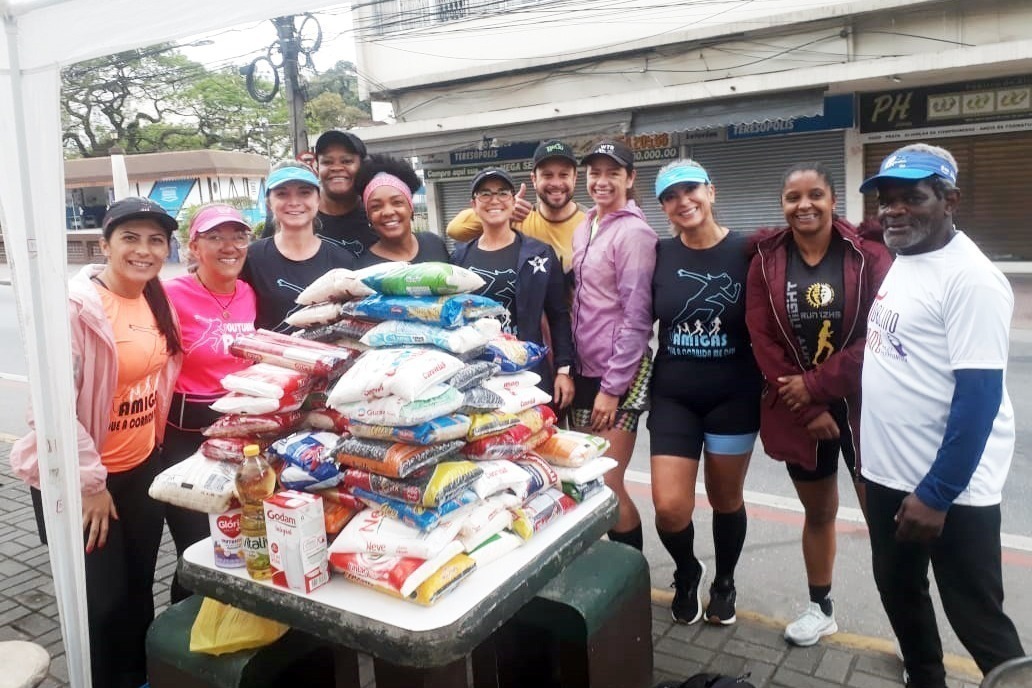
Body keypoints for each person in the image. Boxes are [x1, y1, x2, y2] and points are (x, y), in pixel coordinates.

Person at [858, 143, 1025, 687]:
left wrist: (936, 493)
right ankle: (925, 678)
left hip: (950, 489)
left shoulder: (971, 279)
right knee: (899, 588)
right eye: (887, 199)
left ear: (950, 199)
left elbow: (978, 400)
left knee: (978, 619)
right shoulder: (907, 257)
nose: (895, 209)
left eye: (913, 197)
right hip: (888, 475)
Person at [10, 197, 183, 688]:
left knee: (137, 590)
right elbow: (48, 408)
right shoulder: (73, 308)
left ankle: (139, 677)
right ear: (104, 244)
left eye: (156, 240)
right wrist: (89, 483)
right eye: (130, 238)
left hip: (141, 468)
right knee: (101, 603)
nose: (144, 251)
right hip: (81, 480)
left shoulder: (156, 297)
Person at [745, 162, 891, 647]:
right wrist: (807, 406)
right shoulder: (766, 263)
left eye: (814, 195)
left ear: (832, 200)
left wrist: (817, 386)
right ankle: (820, 608)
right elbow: (763, 341)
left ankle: (912, 637)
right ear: (782, 204)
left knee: (885, 526)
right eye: (792, 197)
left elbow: (880, 334)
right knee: (820, 512)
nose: (803, 205)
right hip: (803, 416)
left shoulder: (868, 256)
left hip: (865, 410)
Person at [649, 160, 761, 626]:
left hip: (734, 396)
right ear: (664, 208)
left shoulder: (749, 251)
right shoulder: (657, 253)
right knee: (670, 507)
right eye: (671, 196)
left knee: (724, 498)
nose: (683, 201)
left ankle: (725, 581)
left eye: (691, 189)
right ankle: (688, 570)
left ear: (711, 192)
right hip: (674, 395)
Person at [162, 204, 257, 603]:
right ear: (194, 247)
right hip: (185, 437)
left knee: (232, 531)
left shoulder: (248, 292)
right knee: (196, 540)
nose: (228, 246)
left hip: (238, 433)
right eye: (215, 237)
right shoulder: (169, 293)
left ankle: (228, 612)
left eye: (237, 236)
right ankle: (184, 614)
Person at [570, 139, 657, 551]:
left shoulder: (635, 233)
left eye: (613, 173)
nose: (602, 181)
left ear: (630, 178)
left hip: (618, 374)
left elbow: (637, 317)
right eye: (595, 173)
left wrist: (612, 388)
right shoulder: (585, 225)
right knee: (585, 476)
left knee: (608, 481)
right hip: (583, 369)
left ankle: (631, 576)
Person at [451, 167, 575, 405]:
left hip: (529, 372)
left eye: (502, 193)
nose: (494, 200)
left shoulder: (539, 254)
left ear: (513, 200)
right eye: (485, 194)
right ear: (474, 204)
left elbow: (559, 316)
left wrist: (563, 371)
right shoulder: (459, 259)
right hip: (478, 373)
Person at [242, 161, 357, 333]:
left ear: (318, 200)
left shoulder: (342, 261)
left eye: (304, 193)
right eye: (282, 194)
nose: (294, 202)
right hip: (268, 358)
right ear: (268, 203)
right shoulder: (251, 257)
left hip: (329, 358)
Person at [447, 139, 585, 274]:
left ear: (574, 178)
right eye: (547, 175)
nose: (556, 183)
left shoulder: (591, 223)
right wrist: (505, 211)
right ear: (534, 179)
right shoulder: (519, 217)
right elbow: (455, 230)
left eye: (564, 175)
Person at [261, 130, 379, 257]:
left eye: (346, 161)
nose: (336, 168)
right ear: (317, 167)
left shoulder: (375, 213)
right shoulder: (292, 213)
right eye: (327, 162)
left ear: (362, 166)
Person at [352, 154, 449, 267]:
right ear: (368, 216)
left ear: (410, 207)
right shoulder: (365, 268)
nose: (388, 212)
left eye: (397, 202)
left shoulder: (434, 244)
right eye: (376, 206)